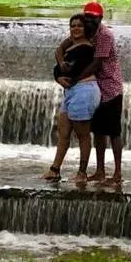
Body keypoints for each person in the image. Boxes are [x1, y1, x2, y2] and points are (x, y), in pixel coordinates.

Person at [55, 1, 124, 184]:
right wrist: (61, 67)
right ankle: (100, 171)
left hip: (110, 87)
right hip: (92, 87)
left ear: (100, 18)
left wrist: (75, 80)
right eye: (87, 17)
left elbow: (96, 64)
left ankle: (117, 173)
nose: (89, 21)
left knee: (114, 132)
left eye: (93, 18)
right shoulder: (84, 30)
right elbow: (60, 48)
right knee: (98, 132)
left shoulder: (105, 35)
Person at [41, 14, 101, 183]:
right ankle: (55, 169)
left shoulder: (86, 48)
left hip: (84, 91)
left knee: (82, 134)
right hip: (72, 91)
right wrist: (58, 75)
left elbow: (70, 70)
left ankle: (82, 173)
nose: (75, 28)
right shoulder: (73, 46)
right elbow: (60, 63)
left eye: (79, 26)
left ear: (85, 29)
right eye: (72, 25)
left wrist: (58, 73)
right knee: (63, 132)